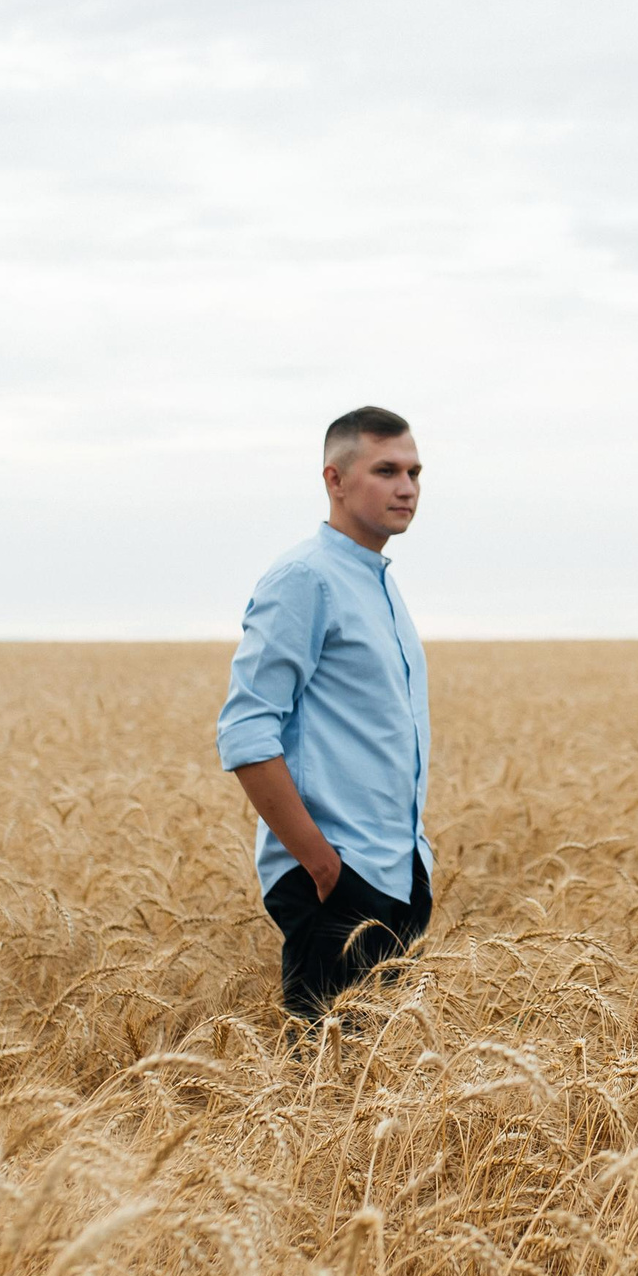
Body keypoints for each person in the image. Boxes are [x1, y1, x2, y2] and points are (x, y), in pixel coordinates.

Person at [217, 406, 434, 1023]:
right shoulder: (304, 580)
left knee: (376, 1092)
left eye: (415, 472)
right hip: (338, 883)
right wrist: (322, 866)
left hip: (397, 875)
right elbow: (245, 733)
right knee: (321, 1098)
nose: (407, 488)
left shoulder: (380, 582)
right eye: (386, 470)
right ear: (334, 480)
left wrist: (414, 867)